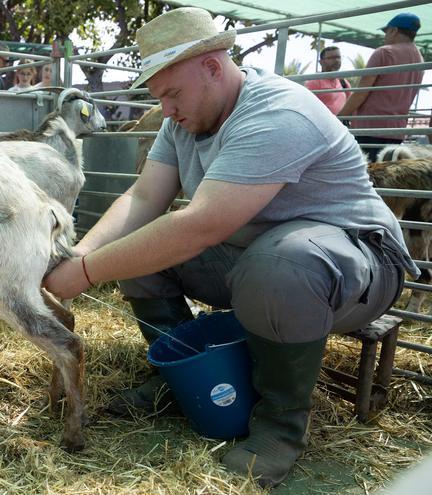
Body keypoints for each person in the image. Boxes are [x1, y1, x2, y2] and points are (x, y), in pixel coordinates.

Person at [43, 7, 417, 488]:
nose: (168, 110)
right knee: (138, 253)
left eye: (172, 94)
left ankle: (280, 426)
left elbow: (201, 225)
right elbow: (142, 197)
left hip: (359, 267)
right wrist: (80, 256)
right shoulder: (181, 122)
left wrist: (88, 273)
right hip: (258, 257)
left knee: (280, 263)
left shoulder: (277, 110)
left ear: (213, 67)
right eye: (161, 98)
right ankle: (178, 374)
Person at [339, 12, 424, 162]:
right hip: (397, 130)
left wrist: (339, 117)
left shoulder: (384, 52)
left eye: (386, 32)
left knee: (365, 176)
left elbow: (361, 93)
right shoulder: (419, 58)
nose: (385, 37)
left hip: (370, 127)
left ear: (394, 30)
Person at [304, 46, 351, 114]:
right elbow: (306, 106)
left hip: (340, 123)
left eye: (338, 57)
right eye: (331, 58)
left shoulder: (343, 82)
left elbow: (350, 103)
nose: (336, 60)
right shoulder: (314, 82)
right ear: (321, 62)